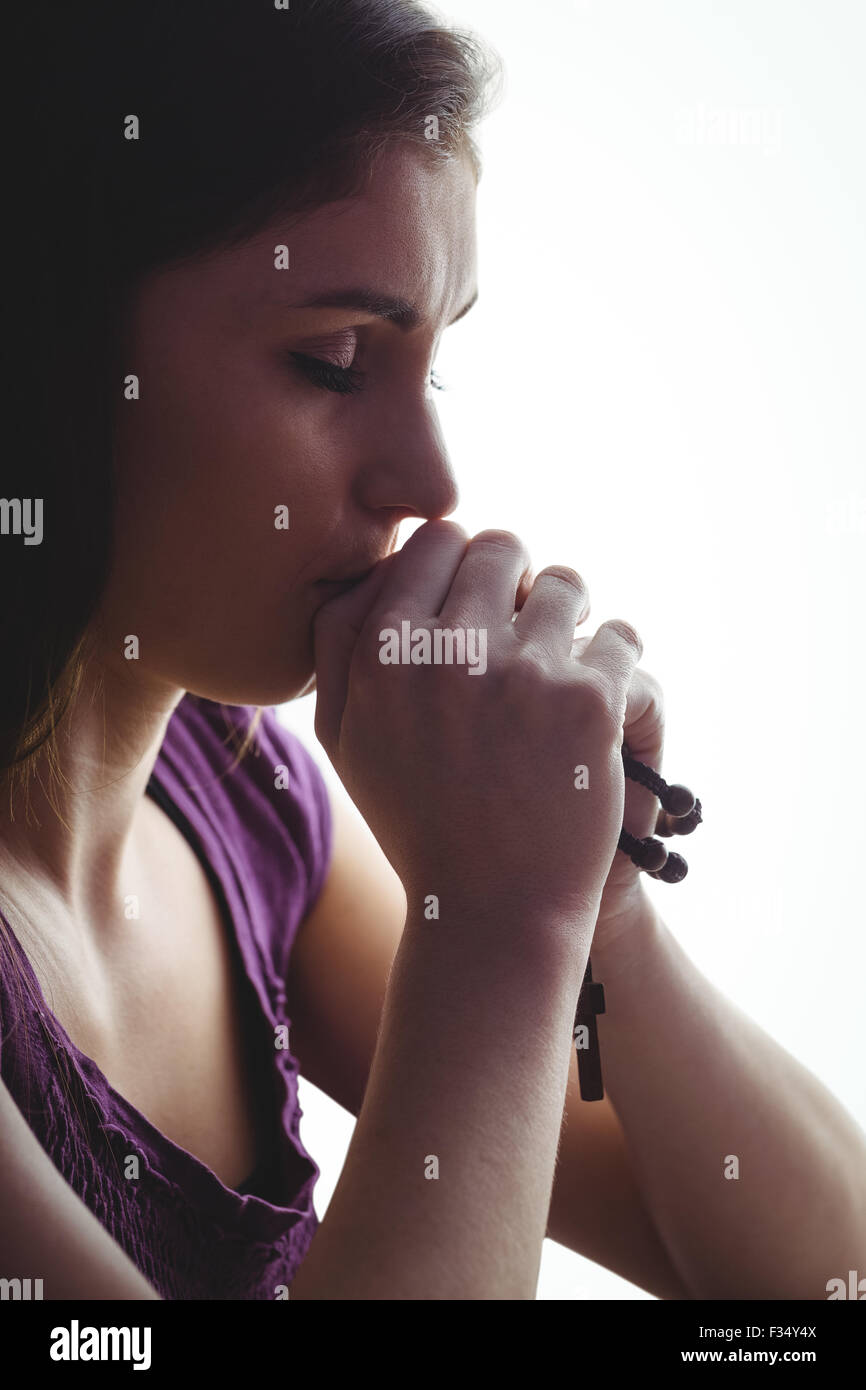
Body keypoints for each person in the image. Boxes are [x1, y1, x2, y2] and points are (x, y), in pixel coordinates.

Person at [1, 0, 864, 1301]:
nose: (430, 481)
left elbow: (823, 1276)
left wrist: (594, 895)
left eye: (434, 364)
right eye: (335, 361)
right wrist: (499, 932)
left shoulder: (241, 798)